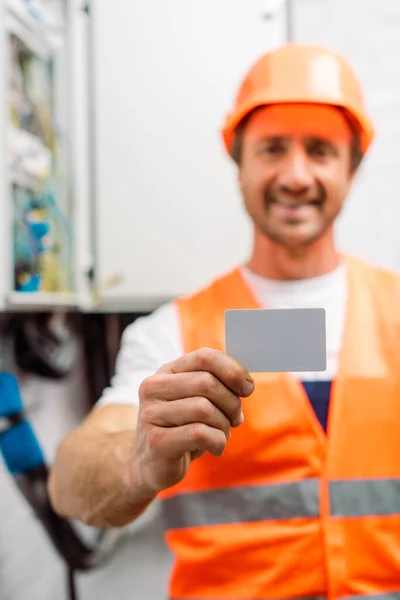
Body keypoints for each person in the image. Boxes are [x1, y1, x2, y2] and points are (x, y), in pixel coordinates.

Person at [48, 42, 400, 599]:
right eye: (273, 148)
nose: (296, 174)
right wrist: (136, 461)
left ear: (352, 167)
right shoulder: (171, 331)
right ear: (239, 162)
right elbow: (69, 483)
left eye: (320, 150)